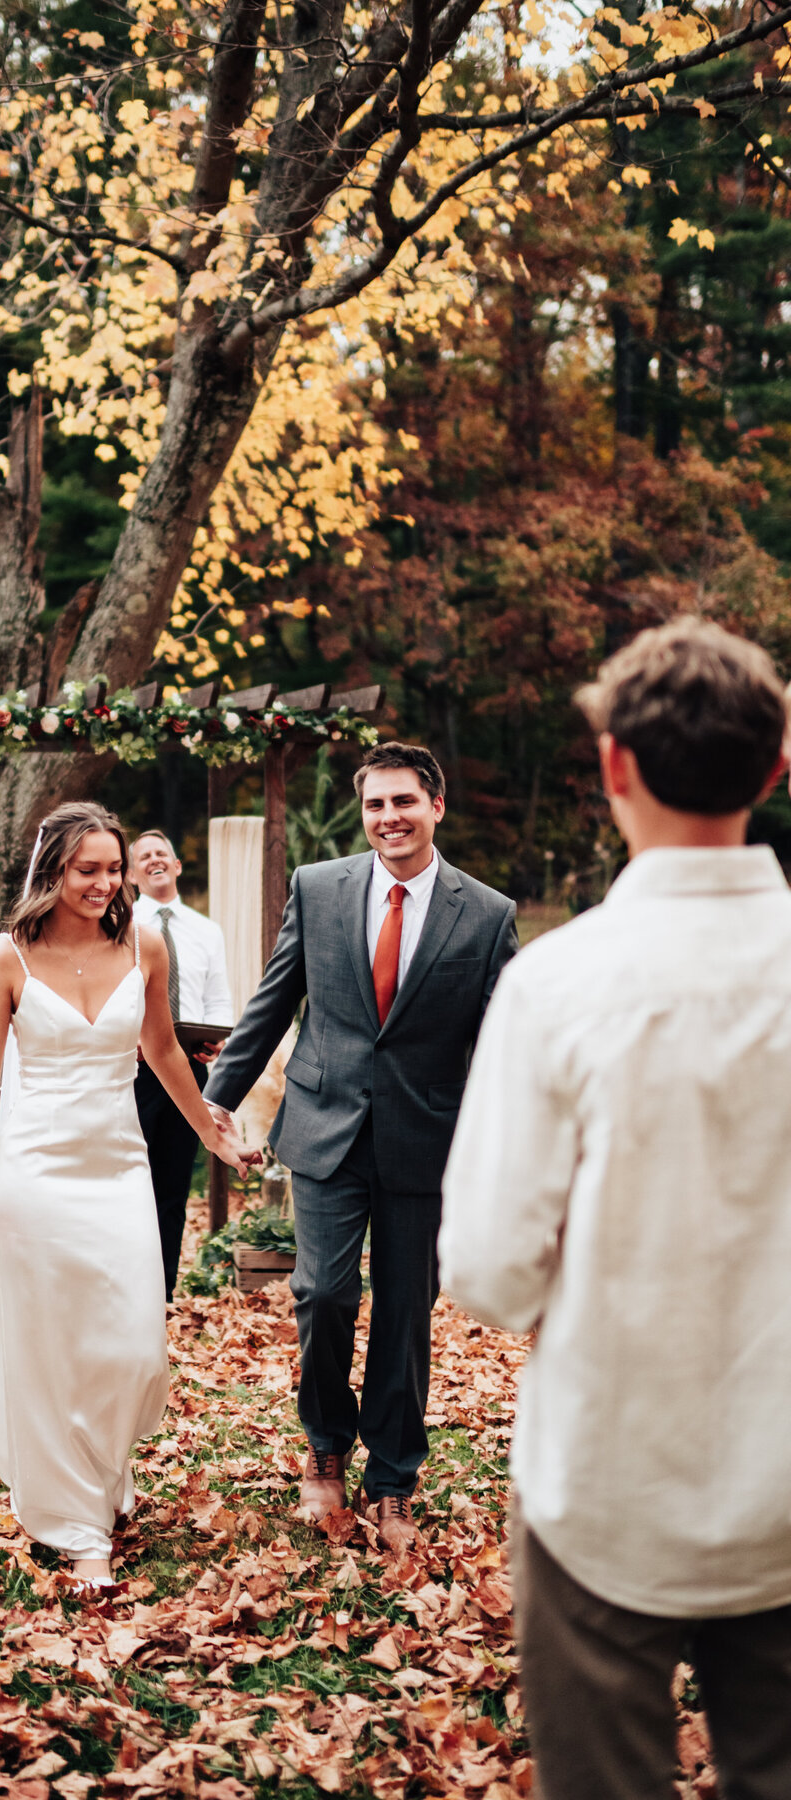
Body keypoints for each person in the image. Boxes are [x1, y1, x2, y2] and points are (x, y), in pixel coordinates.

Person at [440, 617, 791, 1800]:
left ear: (614, 767)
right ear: (778, 770)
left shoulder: (557, 984)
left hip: (605, 1483)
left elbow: (488, 1269)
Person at [205, 742, 517, 1554]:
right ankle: (324, 1448)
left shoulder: (486, 914)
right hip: (325, 1128)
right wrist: (215, 1100)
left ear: (435, 807)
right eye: (376, 804)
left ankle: (393, 1482)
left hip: (426, 1142)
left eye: (404, 802)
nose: (389, 819)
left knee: (406, 1314)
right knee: (324, 1293)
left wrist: (502, 1150)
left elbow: (499, 1049)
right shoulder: (318, 888)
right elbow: (273, 1004)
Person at [0, 802, 255, 1590]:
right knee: (54, 1347)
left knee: (134, 1351)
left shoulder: (143, 944)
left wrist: (213, 1130)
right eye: (88, 869)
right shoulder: (7, 960)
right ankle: (77, 1522)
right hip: (38, 1173)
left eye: (112, 869)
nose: (104, 883)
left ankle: (100, 1467)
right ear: (53, 866)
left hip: (120, 1165)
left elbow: (161, 1050)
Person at [130, 829, 234, 1301]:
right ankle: (124, 1288)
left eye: (161, 854)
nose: (154, 860)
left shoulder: (205, 930)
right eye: (143, 856)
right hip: (126, 1070)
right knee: (129, 1181)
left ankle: (162, 1292)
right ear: (131, 874)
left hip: (186, 1068)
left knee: (172, 1186)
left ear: (176, 866)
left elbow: (218, 1001)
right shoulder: (119, 925)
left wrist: (214, 1039)